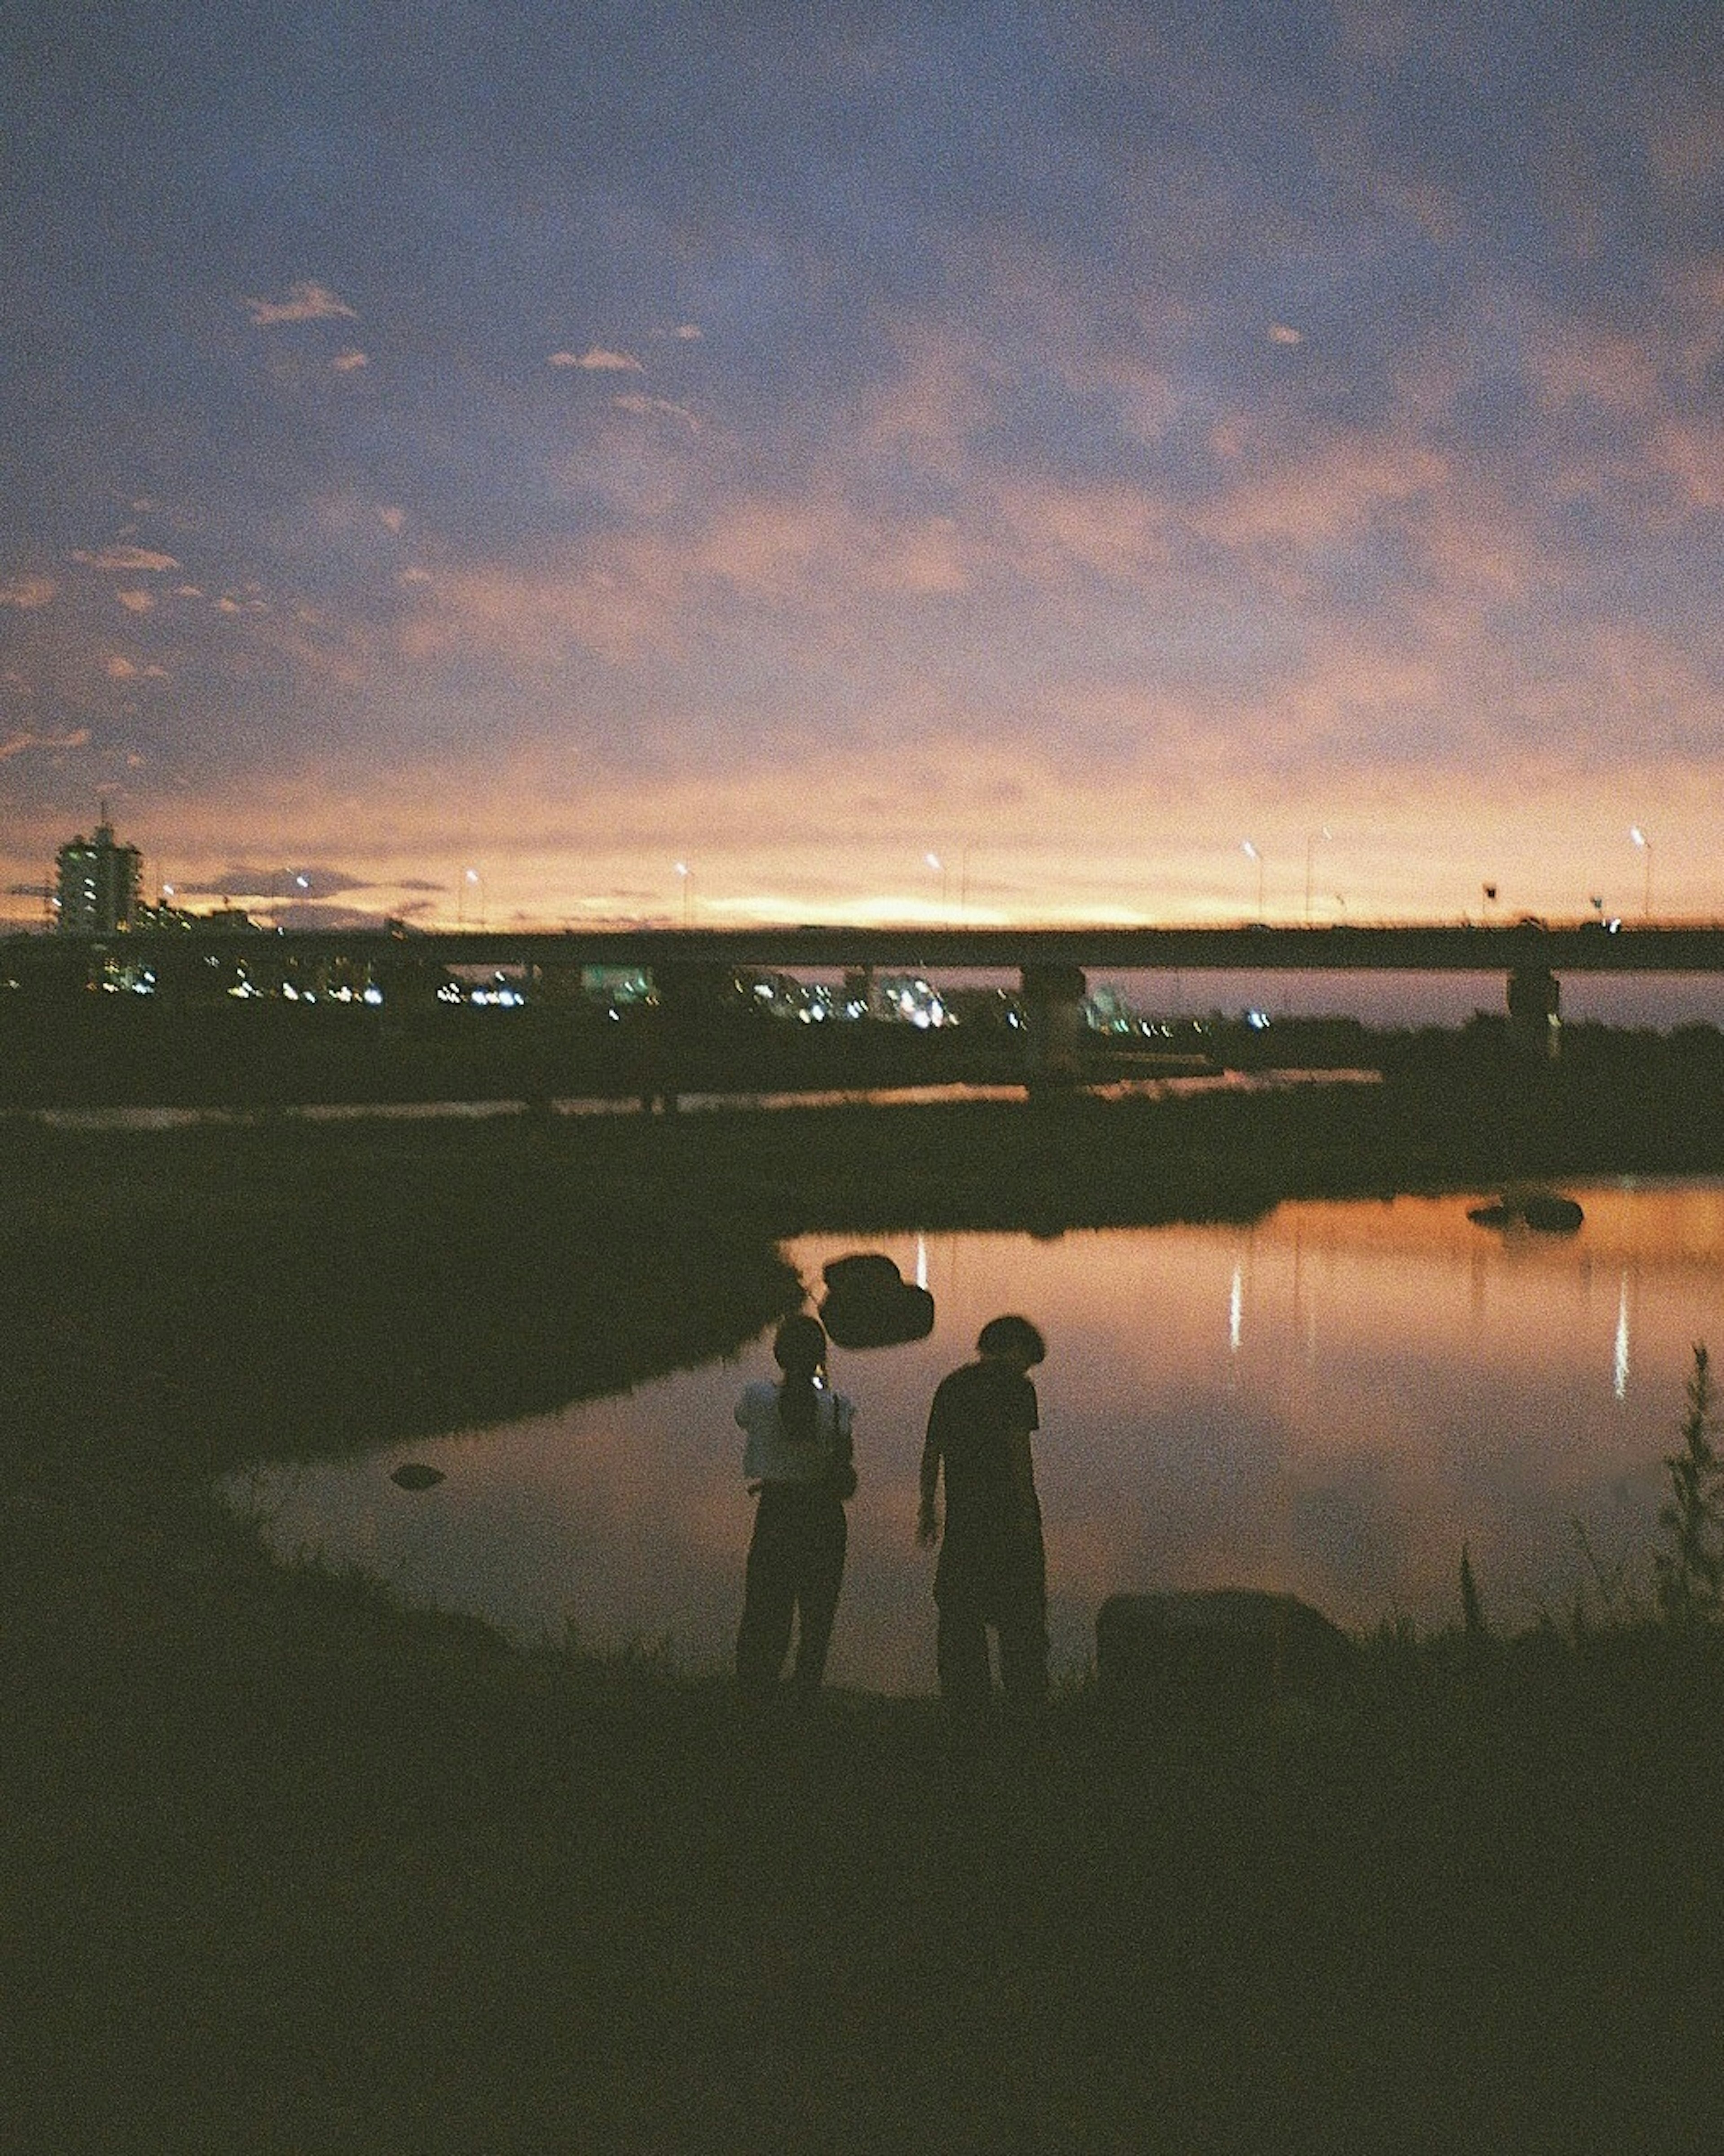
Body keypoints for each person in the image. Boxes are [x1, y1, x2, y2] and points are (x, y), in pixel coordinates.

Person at [917, 1314, 1049, 1728]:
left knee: (961, 1615)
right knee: (1021, 1616)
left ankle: (966, 1707)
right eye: (1027, 1359)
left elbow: (931, 1452)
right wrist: (1029, 1515)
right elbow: (1018, 1456)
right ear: (1012, 1349)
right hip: (1008, 1517)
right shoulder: (1017, 1389)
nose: (1028, 1369)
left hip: (964, 1518)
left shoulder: (952, 1386)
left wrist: (927, 1507)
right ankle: (1024, 1707)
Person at [734, 1314, 856, 1703]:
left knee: (766, 1610)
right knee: (816, 1616)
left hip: (777, 1514)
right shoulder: (838, 1405)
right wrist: (822, 1386)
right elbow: (842, 1452)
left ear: (778, 1353)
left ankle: (755, 1693)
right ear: (820, 1356)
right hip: (823, 1518)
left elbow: (746, 1420)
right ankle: (805, 1694)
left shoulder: (756, 1397)